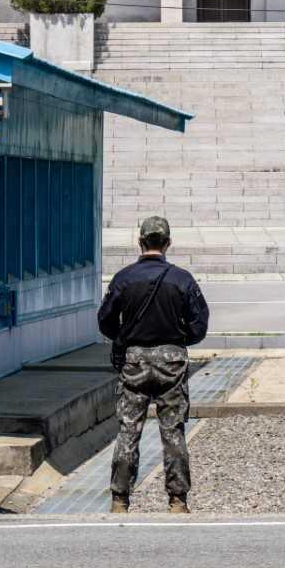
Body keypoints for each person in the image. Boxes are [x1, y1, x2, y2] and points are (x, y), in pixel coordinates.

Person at [97, 215, 210, 514]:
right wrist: (179, 339)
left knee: (128, 429)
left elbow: (105, 321)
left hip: (134, 360)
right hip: (172, 360)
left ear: (140, 242)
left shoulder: (124, 278)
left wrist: (124, 337)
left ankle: (120, 499)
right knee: (173, 430)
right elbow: (199, 325)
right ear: (168, 243)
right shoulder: (182, 279)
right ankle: (177, 500)